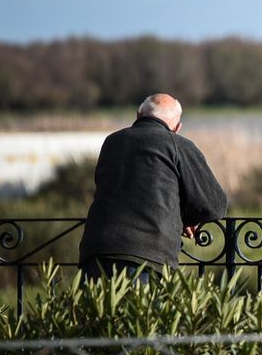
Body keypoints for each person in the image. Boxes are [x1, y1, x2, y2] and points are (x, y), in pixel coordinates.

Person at [80, 93, 228, 281]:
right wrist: (184, 218)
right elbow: (216, 205)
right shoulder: (177, 144)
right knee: (140, 311)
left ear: (138, 116)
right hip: (146, 256)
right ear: (177, 128)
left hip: (96, 251)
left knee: (97, 311)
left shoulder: (111, 142)